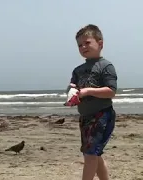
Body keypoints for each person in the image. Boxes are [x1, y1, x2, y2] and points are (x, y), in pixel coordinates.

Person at [68, 24, 117, 180]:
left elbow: (111, 91)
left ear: (100, 43)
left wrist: (88, 91)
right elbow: (73, 86)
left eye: (87, 43)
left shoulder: (105, 66)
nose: (83, 47)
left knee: (90, 154)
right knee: (93, 153)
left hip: (102, 115)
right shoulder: (78, 70)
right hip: (85, 116)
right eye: (80, 45)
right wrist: (72, 91)